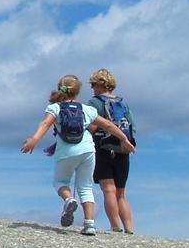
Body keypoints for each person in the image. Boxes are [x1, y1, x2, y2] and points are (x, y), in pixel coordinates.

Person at [21, 75, 135, 236]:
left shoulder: (55, 108)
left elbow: (46, 123)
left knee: (60, 182)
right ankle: (89, 224)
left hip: (66, 151)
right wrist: (124, 139)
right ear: (77, 92)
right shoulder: (87, 109)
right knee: (86, 186)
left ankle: (68, 199)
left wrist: (34, 139)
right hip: (88, 150)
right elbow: (108, 125)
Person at [88, 68, 136, 234]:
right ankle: (129, 229)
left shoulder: (95, 103)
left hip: (103, 148)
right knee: (121, 193)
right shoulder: (123, 103)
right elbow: (132, 126)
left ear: (101, 85)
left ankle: (116, 227)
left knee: (108, 189)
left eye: (93, 84)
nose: (92, 88)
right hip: (123, 149)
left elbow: (92, 127)